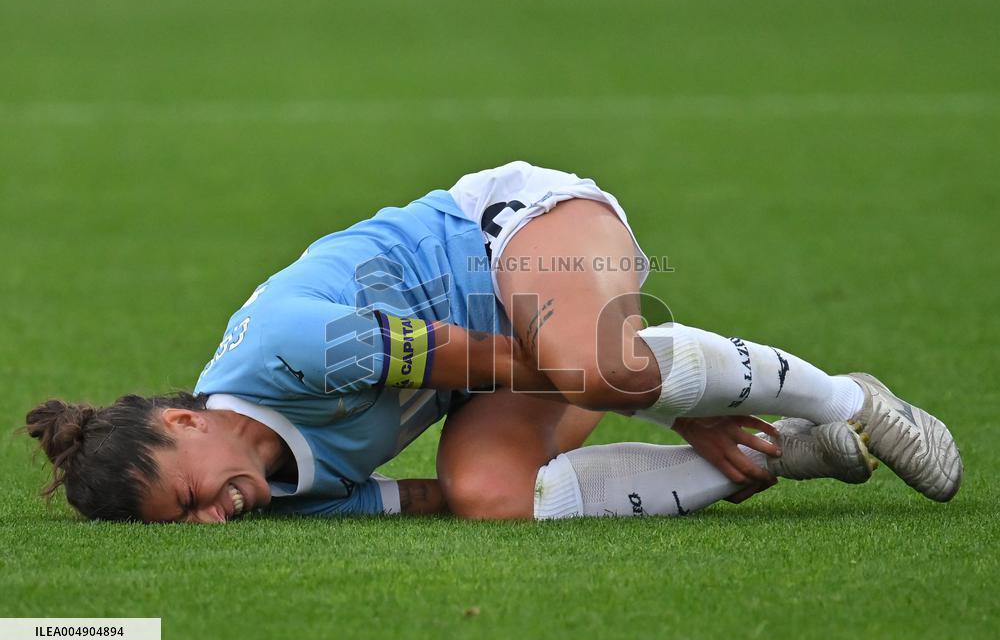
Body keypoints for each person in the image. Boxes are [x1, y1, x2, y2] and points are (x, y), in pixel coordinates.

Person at [23, 162, 963, 523]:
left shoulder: (285, 347)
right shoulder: (275, 494)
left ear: (185, 421)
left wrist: (676, 410)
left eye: (190, 497)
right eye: (186, 523)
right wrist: (508, 474)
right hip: (489, 362)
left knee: (592, 365)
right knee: (492, 496)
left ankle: (855, 401)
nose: (212, 519)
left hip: (512, 238)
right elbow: (429, 496)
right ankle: (791, 451)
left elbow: (469, 354)